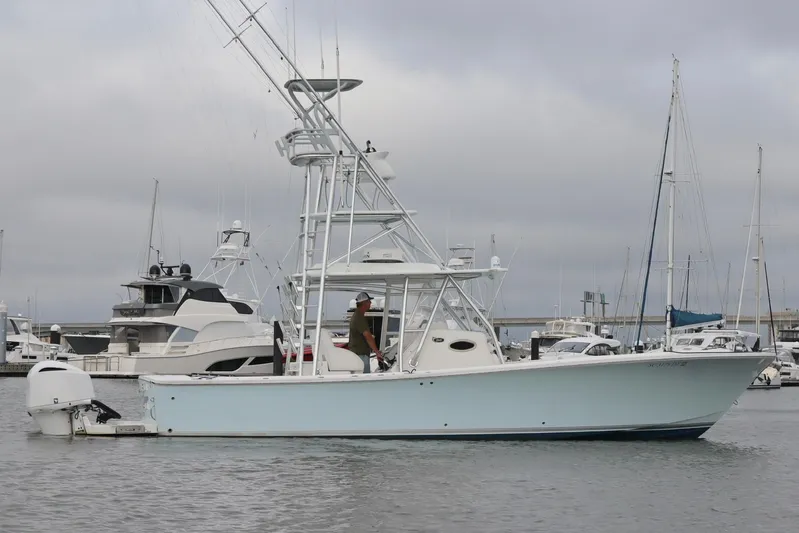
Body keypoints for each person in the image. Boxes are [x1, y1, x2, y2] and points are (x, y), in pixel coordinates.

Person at [348, 291, 383, 373]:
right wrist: (377, 352)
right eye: (369, 301)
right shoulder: (359, 317)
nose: (370, 303)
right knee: (364, 379)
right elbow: (368, 336)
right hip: (360, 356)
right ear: (364, 303)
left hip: (358, 355)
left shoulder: (358, 315)